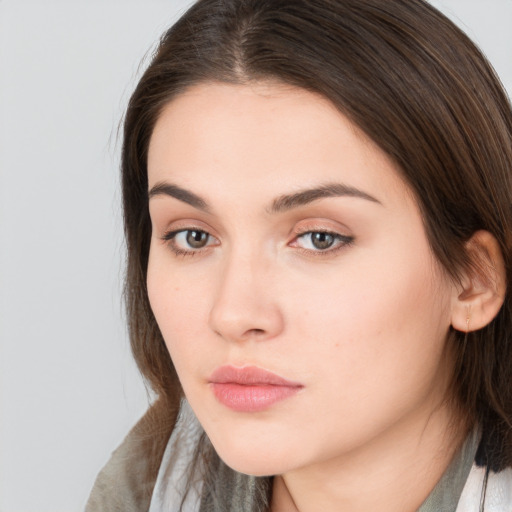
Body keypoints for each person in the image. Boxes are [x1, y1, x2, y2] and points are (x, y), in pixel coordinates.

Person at [85, 0, 512, 510]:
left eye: (319, 238)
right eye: (193, 237)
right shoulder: (138, 488)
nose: (233, 315)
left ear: (472, 280)